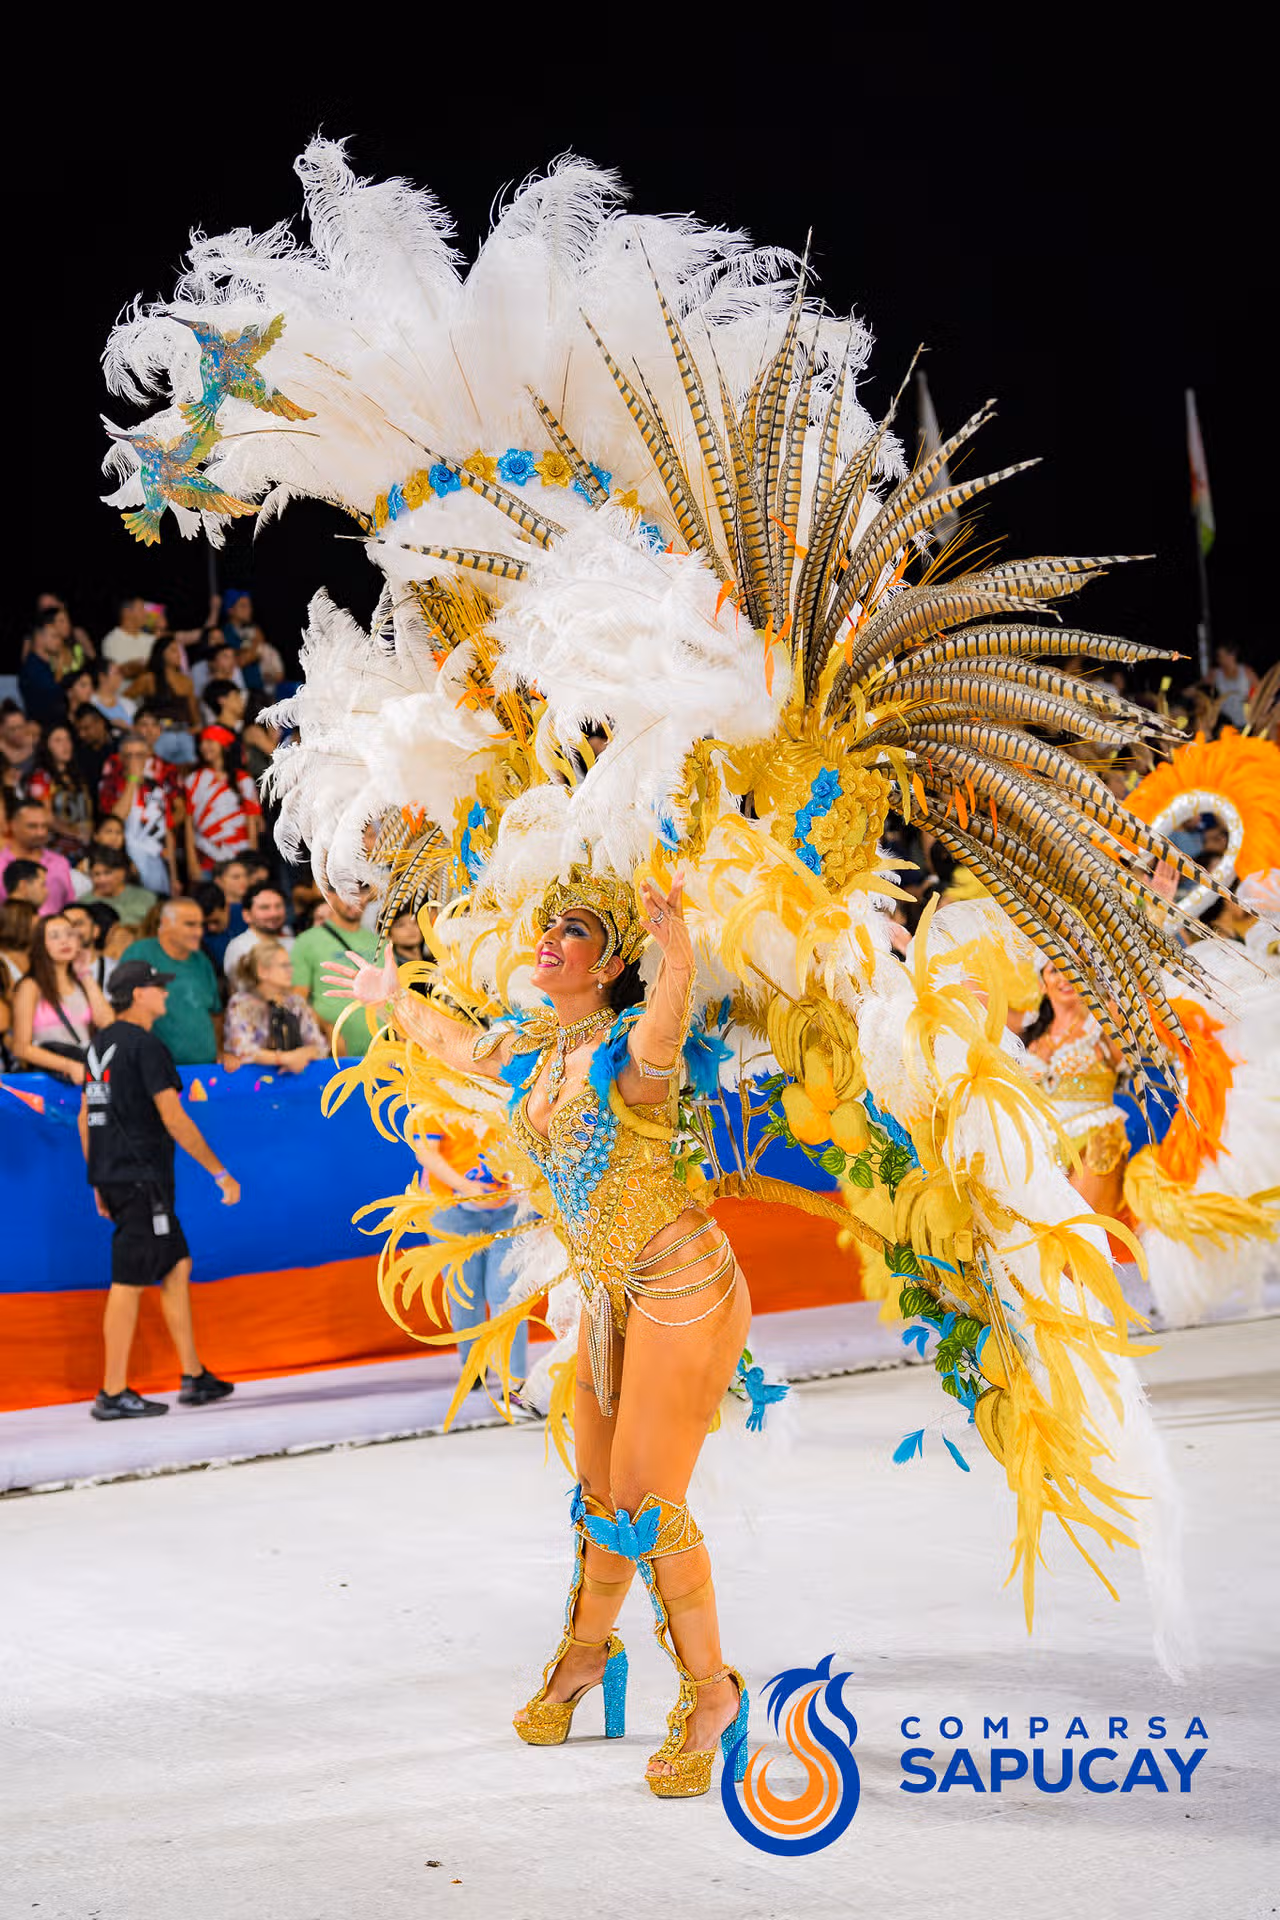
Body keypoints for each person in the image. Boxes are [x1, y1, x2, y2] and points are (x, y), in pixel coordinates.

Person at [327, 874, 752, 1794]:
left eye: (576, 928)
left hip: (681, 1283)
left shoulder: (632, 1049)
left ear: (610, 961)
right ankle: (586, 1658)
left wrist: (676, 950)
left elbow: (668, 1021)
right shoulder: (535, 1047)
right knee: (599, 1499)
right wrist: (392, 997)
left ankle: (713, 1693)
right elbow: (456, 1044)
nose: (550, 938)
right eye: (549, 925)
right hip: (608, 1294)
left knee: (645, 1502)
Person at [78, 959, 241, 1420]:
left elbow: (85, 1117)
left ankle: (193, 1375)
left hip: (120, 1176)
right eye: (157, 987)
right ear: (137, 995)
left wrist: (98, 1178)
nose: (165, 994)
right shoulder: (145, 1046)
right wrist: (220, 1172)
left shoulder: (99, 1045)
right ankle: (112, 1392)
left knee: (175, 1264)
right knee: (128, 1281)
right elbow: (173, 1117)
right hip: (141, 1177)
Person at [415, 1136, 528, 1388]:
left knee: (509, 1294)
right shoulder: (435, 1111)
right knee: (465, 1295)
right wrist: (467, 1187)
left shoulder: (510, 1105)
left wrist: (525, 1180)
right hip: (452, 1211)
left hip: (510, 1209)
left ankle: (516, 1383)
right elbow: (425, 1152)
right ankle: (474, 1367)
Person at [1024, 962, 1130, 1217]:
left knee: (1078, 1229)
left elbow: (1130, 985)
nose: (1065, 976)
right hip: (1043, 1151)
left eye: (1072, 967)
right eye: (1054, 970)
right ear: (1041, 983)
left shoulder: (1102, 1027)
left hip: (1095, 1144)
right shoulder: (1031, 1039)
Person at [9, 910, 113, 1083]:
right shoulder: (31, 986)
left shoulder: (80, 982)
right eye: (54, 936)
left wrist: (84, 974)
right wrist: (69, 1066)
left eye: (70, 934)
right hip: (51, 1079)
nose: (64, 941)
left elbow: (107, 1022)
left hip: (83, 1073)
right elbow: (21, 1047)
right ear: (41, 945)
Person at [124, 899, 223, 1065]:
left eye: (201, 925)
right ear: (165, 923)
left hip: (206, 1068)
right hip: (158, 1069)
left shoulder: (201, 960)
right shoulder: (140, 953)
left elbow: (215, 1013)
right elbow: (122, 1011)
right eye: (190, 925)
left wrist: (219, 1050)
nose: (198, 932)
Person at [291, 891, 379, 1055]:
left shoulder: (379, 942)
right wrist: (324, 1029)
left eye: (361, 892)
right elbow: (297, 999)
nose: (356, 899)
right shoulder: (307, 941)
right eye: (348, 891)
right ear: (330, 895)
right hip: (331, 1051)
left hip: (381, 1050)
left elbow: (393, 994)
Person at [98, 730, 180, 897]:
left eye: (139, 755)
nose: (134, 761)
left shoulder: (156, 787)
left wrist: (174, 876)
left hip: (156, 862)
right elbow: (115, 819)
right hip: (126, 863)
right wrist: (132, 780)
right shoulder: (111, 784)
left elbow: (167, 831)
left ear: (148, 756)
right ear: (121, 758)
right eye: (129, 756)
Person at [223, 939, 327, 1071]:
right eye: (284, 966)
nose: (290, 970)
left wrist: (304, 1055)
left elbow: (320, 1046)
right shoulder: (241, 1003)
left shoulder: (296, 1003)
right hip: (254, 1079)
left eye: (290, 965)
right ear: (262, 971)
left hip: (296, 1077)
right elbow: (242, 1049)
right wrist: (285, 1059)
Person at [182, 726, 261, 876]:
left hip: (240, 856)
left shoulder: (243, 779)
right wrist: (192, 862)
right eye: (202, 742)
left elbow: (251, 822)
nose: (204, 746)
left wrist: (253, 862)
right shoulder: (193, 780)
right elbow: (189, 822)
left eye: (210, 741)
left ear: (224, 745)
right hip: (207, 857)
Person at [23, 722, 94, 856]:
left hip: (84, 845)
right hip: (56, 848)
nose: (65, 745)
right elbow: (45, 816)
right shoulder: (41, 777)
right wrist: (75, 833)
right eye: (58, 740)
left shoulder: (77, 775)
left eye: (68, 739)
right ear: (46, 746)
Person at [0, 801, 76, 914]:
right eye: (32, 826)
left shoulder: (59, 863)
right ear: (13, 825)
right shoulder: (1, 864)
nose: (41, 833)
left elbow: (70, 906)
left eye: (44, 826)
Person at [221, 883, 292, 981]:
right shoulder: (240, 948)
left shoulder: (292, 943)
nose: (274, 913)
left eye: (278, 906)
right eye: (264, 907)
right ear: (247, 915)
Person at [81, 843, 157, 929]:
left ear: (122, 872)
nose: (102, 880)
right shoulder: (85, 903)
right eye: (96, 874)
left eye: (107, 873)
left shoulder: (146, 897)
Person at [17, 615, 68, 729]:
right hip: (44, 727)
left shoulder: (47, 665)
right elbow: (55, 694)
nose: (60, 641)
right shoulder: (32, 668)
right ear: (39, 638)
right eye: (54, 636)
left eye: (60, 637)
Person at [99, 596, 153, 680]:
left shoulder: (151, 639)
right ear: (126, 612)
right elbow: (122, 671)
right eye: (141, 609)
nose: (146, 613)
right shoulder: (112, 641)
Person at [1210, 644, 1257, 730]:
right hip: (1226, 723)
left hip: (1247, 721)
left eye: (1221, 656)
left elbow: (1262, 692)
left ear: (1232, 655)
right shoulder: (1215, 674)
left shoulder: (1246, 671)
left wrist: (1252, 698)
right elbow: (1198, 689)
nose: (1219, 659)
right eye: (1218, 656)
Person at [91, 658, 136, 730]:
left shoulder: (128, 704)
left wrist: (127, 728)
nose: (121, 677)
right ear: (102, 677)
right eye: (117, 673)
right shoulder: (90, 703)